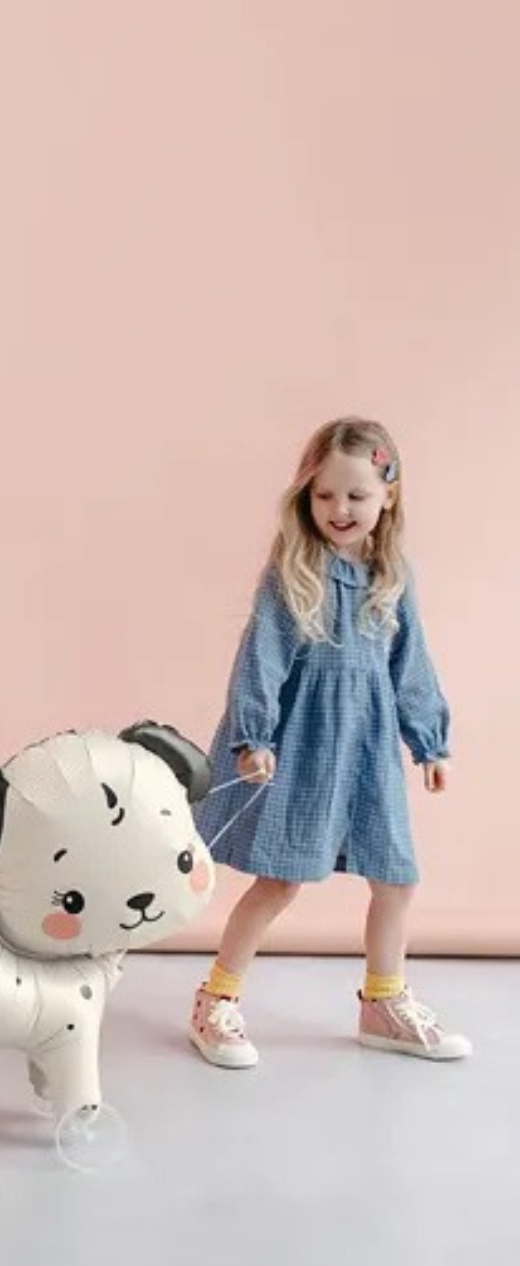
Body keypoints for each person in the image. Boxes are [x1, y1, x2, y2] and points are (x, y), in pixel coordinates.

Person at [189, 417, 470, 1067]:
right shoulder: (293, 572)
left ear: (387, 496)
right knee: (280, 881)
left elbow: (410, 663)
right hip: (304, 747)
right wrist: (254, 737)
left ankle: (383, 1002)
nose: (339, 509)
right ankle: (216, 999)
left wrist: (430, 743)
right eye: (324, 495)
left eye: (356, 495)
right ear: (306, 497)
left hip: (368, 749)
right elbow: (260, 661)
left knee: (396, 879)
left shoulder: (393, 574)